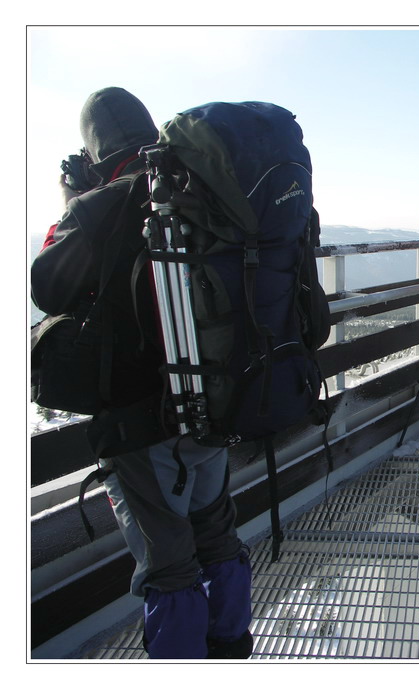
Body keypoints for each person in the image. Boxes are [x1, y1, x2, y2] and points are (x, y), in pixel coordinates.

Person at [31, 87, 252, 659]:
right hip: (214, 397)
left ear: (96, 149)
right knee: (216, 531)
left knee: (167, 563)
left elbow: (47, 286)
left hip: (142, 417)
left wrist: (76, 201)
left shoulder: (103, 205)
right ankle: (231, 648)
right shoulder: (199, 188)